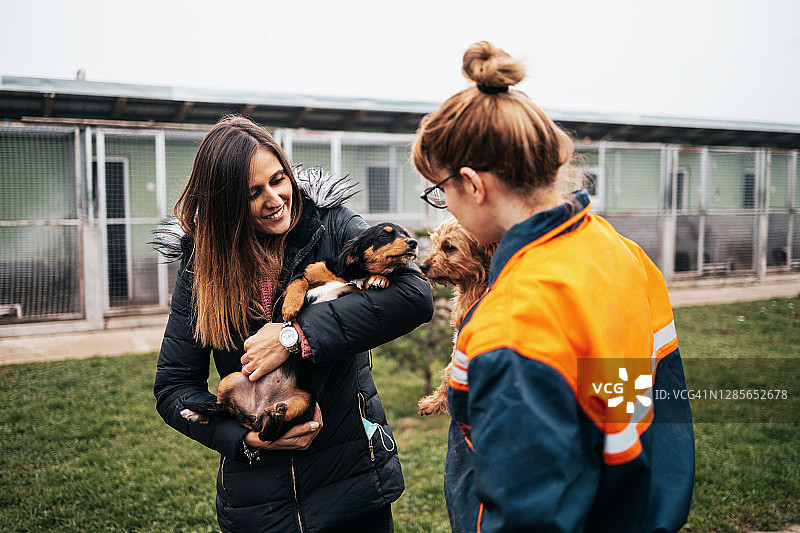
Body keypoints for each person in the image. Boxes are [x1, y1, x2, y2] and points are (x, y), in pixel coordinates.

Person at [412, 42, 694, 533]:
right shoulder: (623, 255)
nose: (447, 208)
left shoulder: (512, 324)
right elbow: (634, 411)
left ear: (474, 185)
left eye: (442, 192)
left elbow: (528, 511)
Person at [154, 115, 433, 533]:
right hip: (259, 503)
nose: (275, 198)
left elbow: (413, 297)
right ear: (223, 205)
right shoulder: (202, 267)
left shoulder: (332, 225)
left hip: (350, 485)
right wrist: (242, 439)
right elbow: (174, 387)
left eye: (278, 179)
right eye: (253, 193)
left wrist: (295, 335)